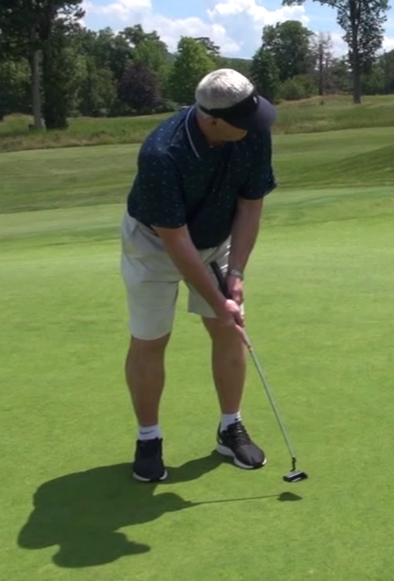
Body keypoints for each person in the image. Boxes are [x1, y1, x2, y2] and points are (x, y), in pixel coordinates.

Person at [119, 68, 278, 482]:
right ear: (210, 119)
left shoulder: (252, 130)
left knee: (228, 330)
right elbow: (176, 242)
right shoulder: (161, 152)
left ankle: (230, 428)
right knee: (151, 338)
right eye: (243, 121)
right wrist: (216, 299)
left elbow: (250, 206)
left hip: (217, 236)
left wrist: (237, 274)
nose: (255, 125)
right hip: (153, 243)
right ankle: (148, 439)